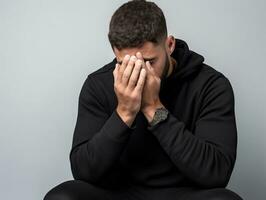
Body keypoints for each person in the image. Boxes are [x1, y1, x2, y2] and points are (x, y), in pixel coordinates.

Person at [44, 0, 243, 199]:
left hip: (186, 195)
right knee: (61, 197)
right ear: (115, 52)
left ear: (170, 45)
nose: (138, 72)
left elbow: (217, 174)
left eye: (149, 61)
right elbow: (84, 172)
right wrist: (124, 112)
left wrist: (153, 108)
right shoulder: (98, 85)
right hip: (121, 194)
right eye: (125, 63)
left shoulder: (211, 85)